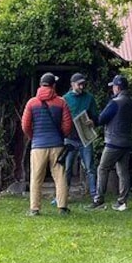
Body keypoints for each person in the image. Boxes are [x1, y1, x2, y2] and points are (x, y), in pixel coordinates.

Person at [21, 72, 73, 216]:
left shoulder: (32, 103)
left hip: (38, 146)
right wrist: (61, 136)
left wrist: (34, 137)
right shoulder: (61, 102)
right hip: (57, 145)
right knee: (60, 177)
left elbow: (25, 125)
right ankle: (62, 207)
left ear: (41, 85)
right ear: (53, 85)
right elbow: (68, 124)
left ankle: (35, 209)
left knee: (36, 178)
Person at [89, 74, 132, 211]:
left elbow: (101, 118)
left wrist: (92, 121)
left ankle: (99, 199)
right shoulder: (131, 101)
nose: (112, 89)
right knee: (123, 172)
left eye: (114, 87)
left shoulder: (116, 102)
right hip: (126, 141)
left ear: (118, 87)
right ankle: (122, 201)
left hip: (113, 142)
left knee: (102, 168)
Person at [59, 73, 99, 203]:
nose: (81, 86)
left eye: (83, 84)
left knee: (90, 168)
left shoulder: (89, 98)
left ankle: (94, 195)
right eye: (79, 84)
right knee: (67, 168)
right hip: (70, 138)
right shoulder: (65, 99)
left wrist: (92, 122)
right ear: (72, 84)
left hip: (85, 138)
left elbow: (96, 117)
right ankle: (62, 195)